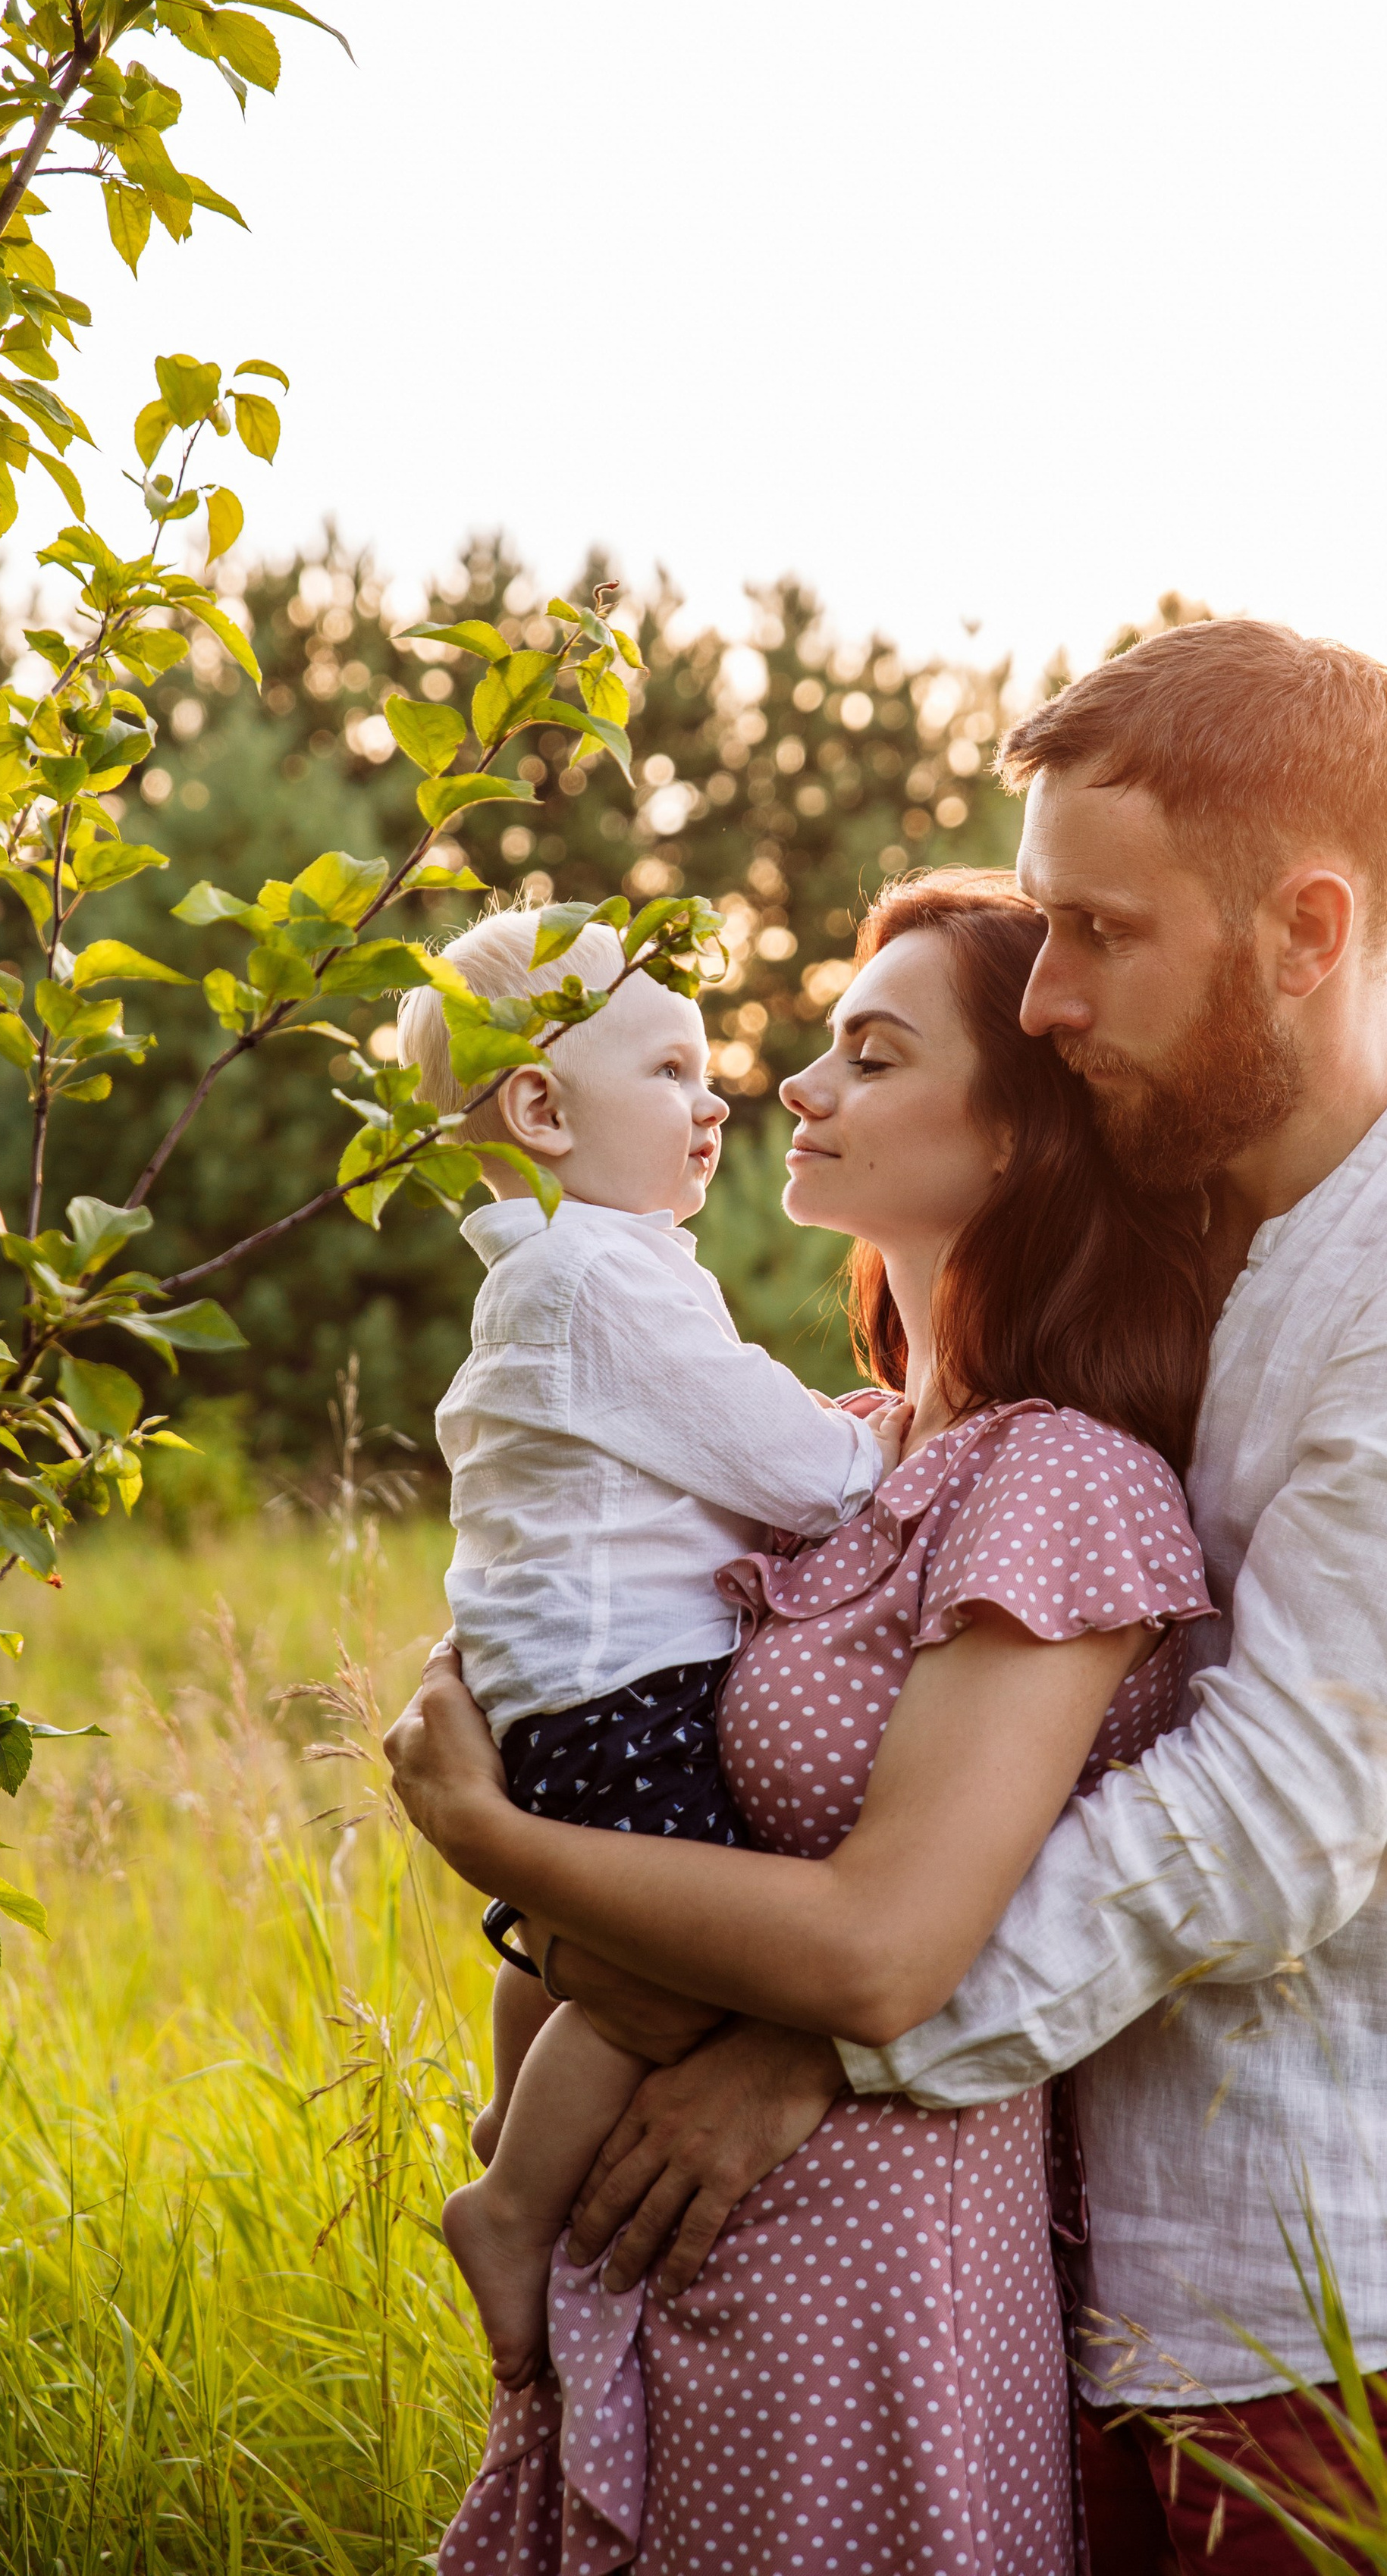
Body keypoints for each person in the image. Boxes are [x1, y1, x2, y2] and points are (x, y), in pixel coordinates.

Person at [395, 622, 1387, 2576]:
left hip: (1332, 2316)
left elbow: (1267, 1818)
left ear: (1305, 930)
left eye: (1097, 932)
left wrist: (816, 2028)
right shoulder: (1195, 1278)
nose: (1049, 994)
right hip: (1066, 2280)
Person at [401, 867, 1216, 2575]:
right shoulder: (836, 1451)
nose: (783, 1084)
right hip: (639, 2266)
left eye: (869, 1052)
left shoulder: (1048, 1473)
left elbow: (880, 1947)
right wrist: (523, 1861)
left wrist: (492, 1839)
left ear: (1011, 1138)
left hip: (849, 2288)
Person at [398, 907, 907, 2386]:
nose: (715, 1102)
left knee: (593, 1942)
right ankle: (510, 2204)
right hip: (625, 1685)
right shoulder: (604, 1280)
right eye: (675, 1072)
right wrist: (883, 1446)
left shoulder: (543, 1277)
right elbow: (797, 1471)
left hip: (553, 1682)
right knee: (674, 1971)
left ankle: (513, 2110)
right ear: (542, 1110)